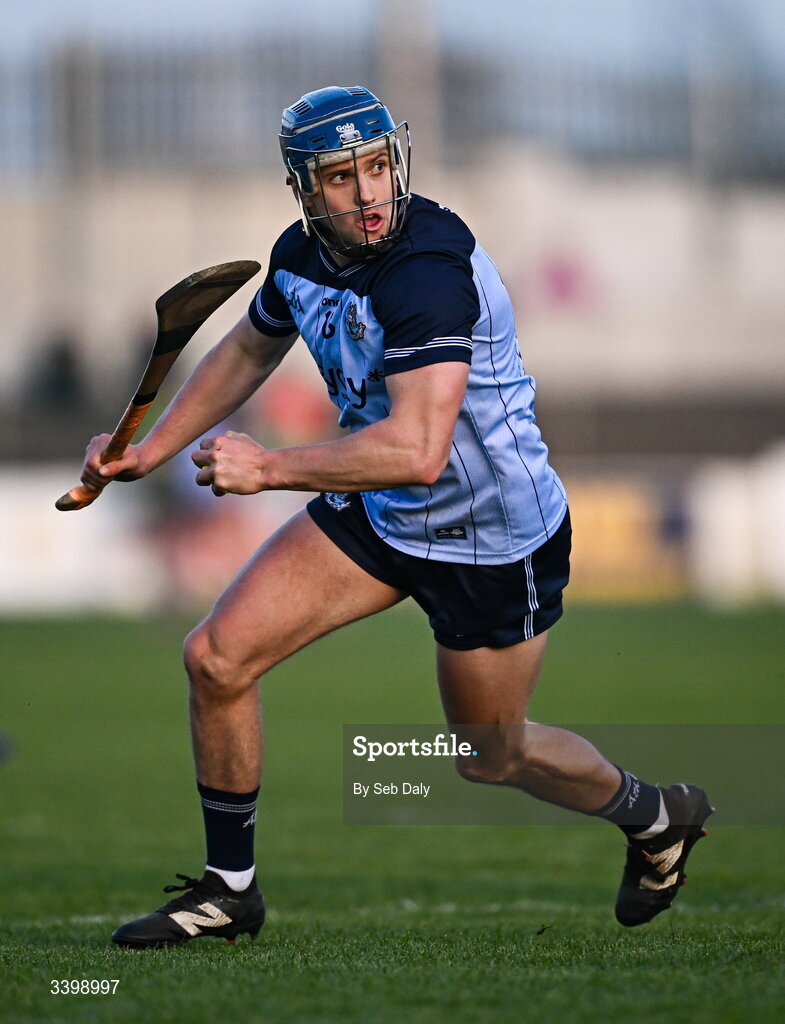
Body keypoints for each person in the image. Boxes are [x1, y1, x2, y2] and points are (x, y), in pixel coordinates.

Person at [77, 86, 713, 948]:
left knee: (492, 756)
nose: (370, 193)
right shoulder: (299, 255)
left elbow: (416, 448)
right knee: (216, 659)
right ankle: (229, 893)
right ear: (304, 189)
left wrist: (266, 466)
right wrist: (146, 450)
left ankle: (655, 817)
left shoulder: (427, 274)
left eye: (377, 167)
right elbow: (249, 348)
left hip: (489, 537)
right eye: (342, 177)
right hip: (380, 513)